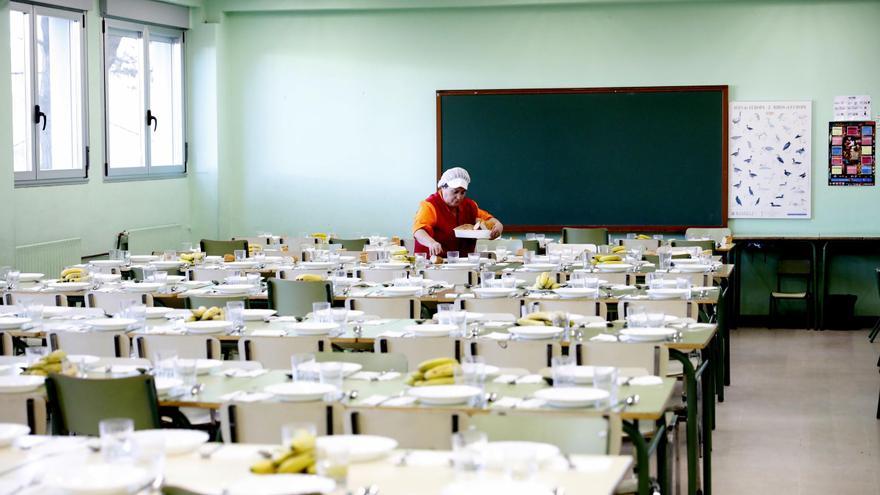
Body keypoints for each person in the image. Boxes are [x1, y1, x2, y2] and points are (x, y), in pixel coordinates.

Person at [413, 167, 504, 257]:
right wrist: (431, 243)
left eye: (463, 192)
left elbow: (488, 219)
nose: (459, 197)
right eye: (455, 192)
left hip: (463, 263)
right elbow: (419, 231)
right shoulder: (430, 205)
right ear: (443, 187)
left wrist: (499, 225)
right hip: (432, 263)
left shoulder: (470, 205)